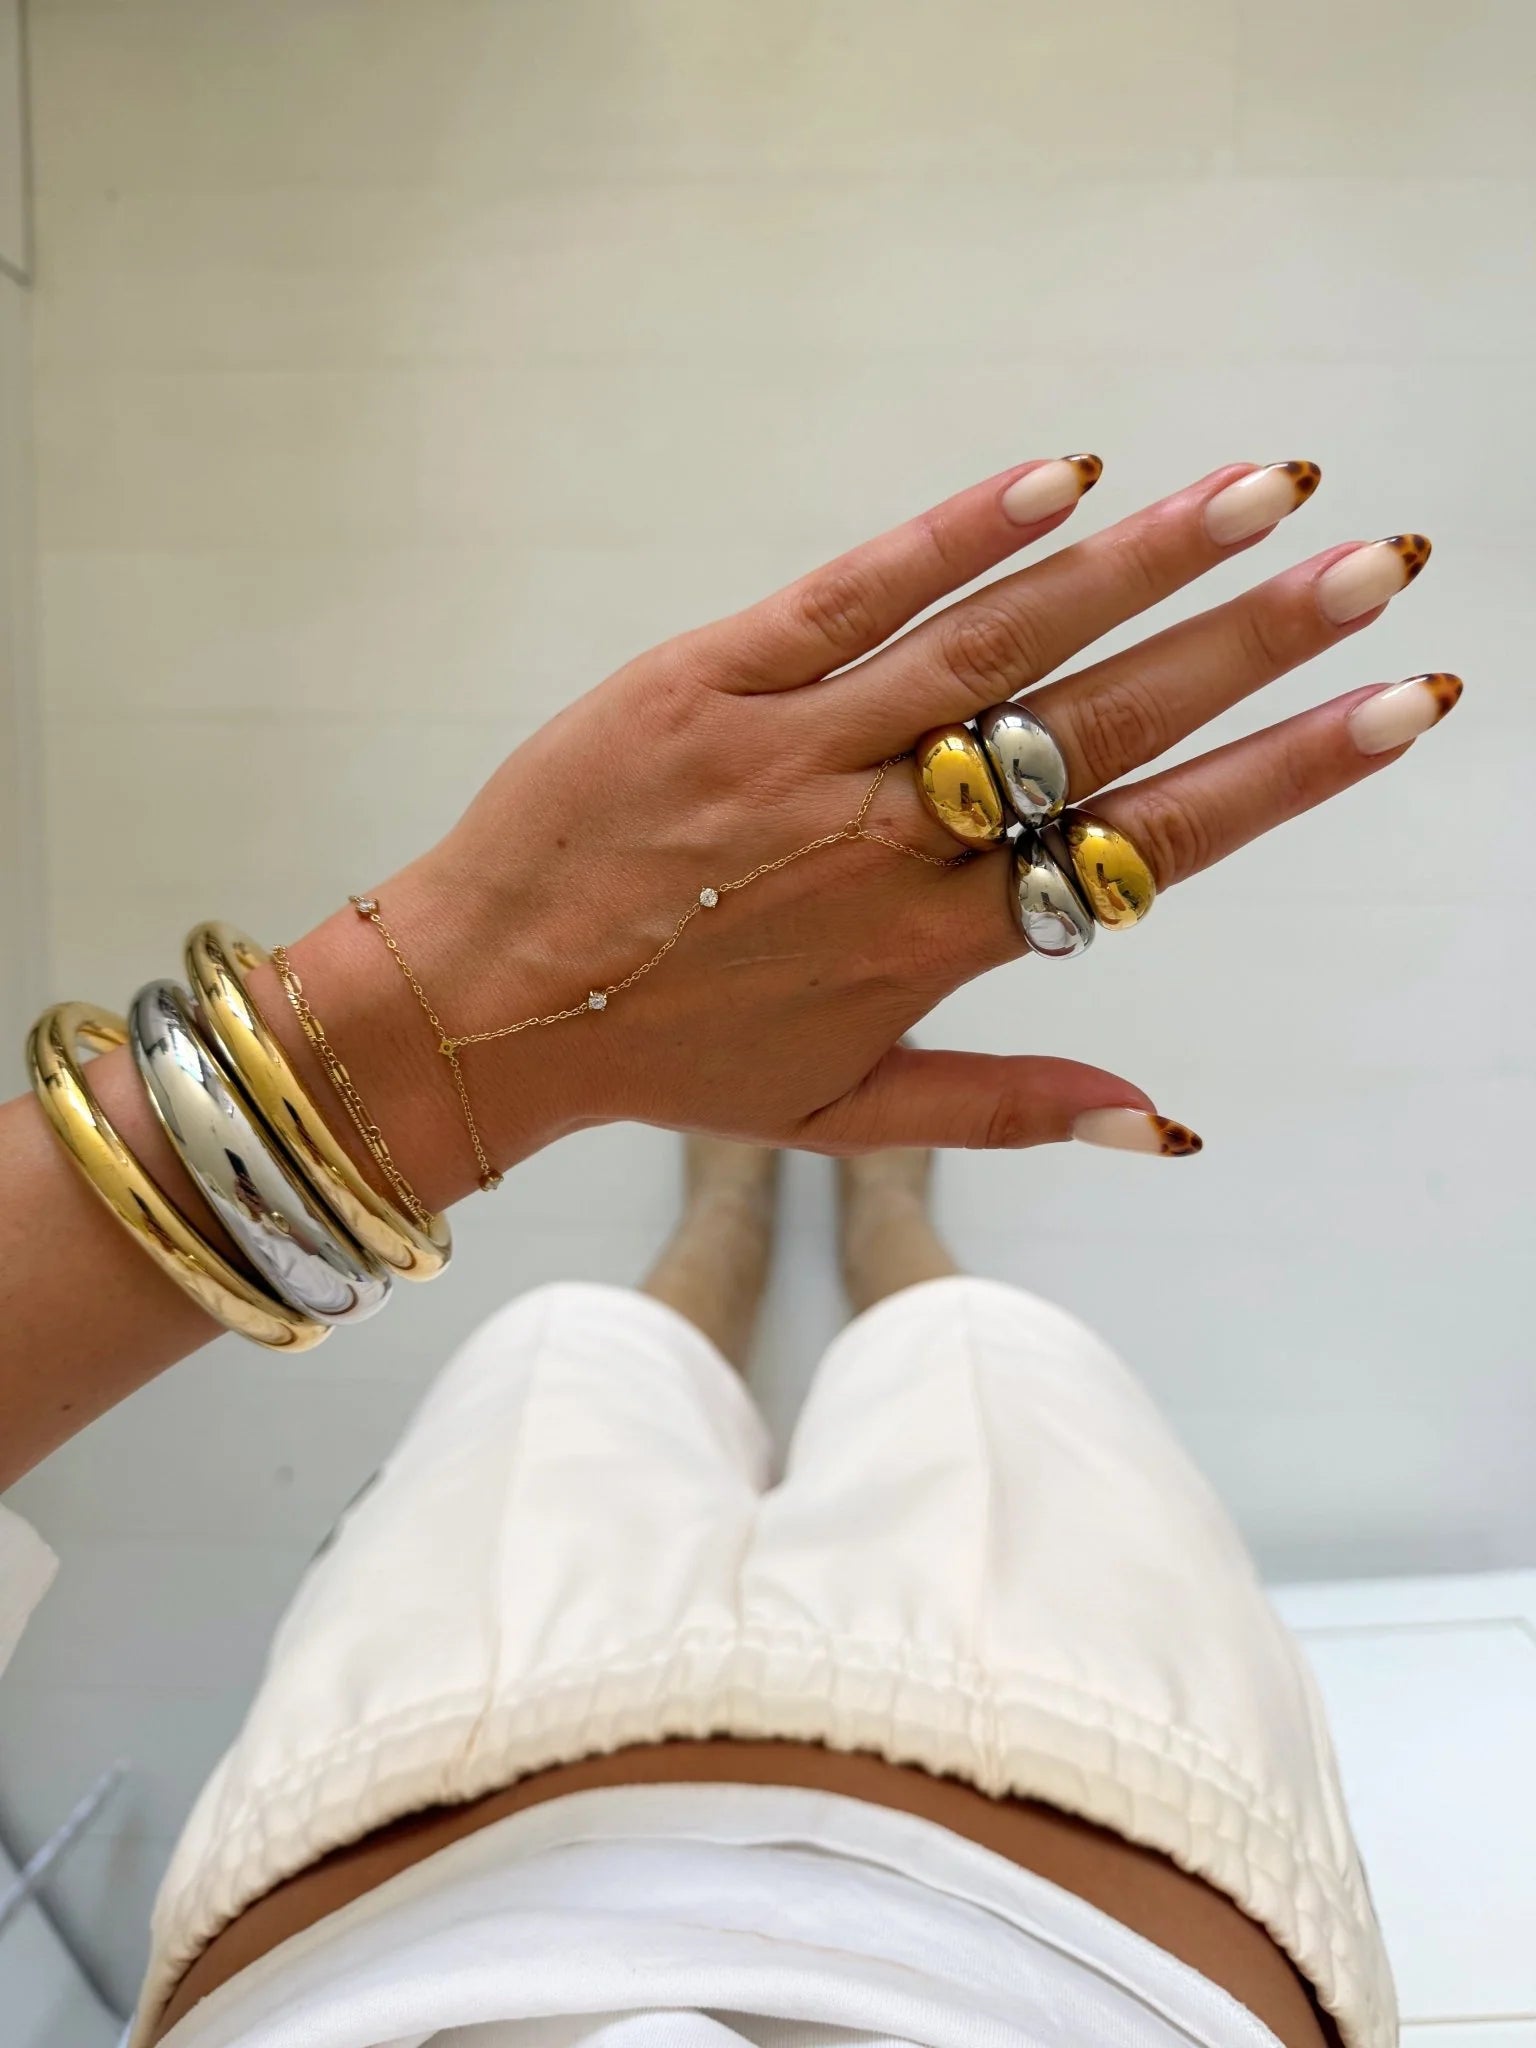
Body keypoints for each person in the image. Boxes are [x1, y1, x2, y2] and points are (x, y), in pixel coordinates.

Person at [0, 454, 1456, 2048]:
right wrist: (430, 1036)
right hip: (1091, 1839)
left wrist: (446, 1030)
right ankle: (874, 1213)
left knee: (571, 1347)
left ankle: (732, 1212)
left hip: (414, 1809)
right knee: (979, 1359)